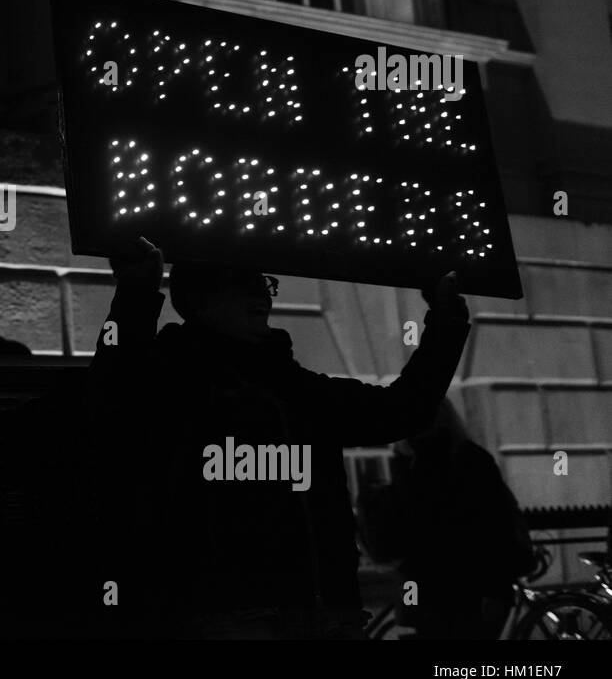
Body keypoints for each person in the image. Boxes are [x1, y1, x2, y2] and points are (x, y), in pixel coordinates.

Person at [89, 236, 471, 639]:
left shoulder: (293, 386)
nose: (262, 295)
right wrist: (135, 291)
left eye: (263, 283)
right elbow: (113, 396)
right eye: (242, 283)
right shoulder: (170, 379)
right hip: (227, 615)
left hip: (321, 613)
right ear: (199, 298)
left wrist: (446, 319)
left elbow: (402, 409)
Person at [359, 398, 534, 639]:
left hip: (454, 588)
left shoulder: (424, 463)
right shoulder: (453, 459)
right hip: (458, 588)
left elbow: (488, 528)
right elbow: (494, 525)